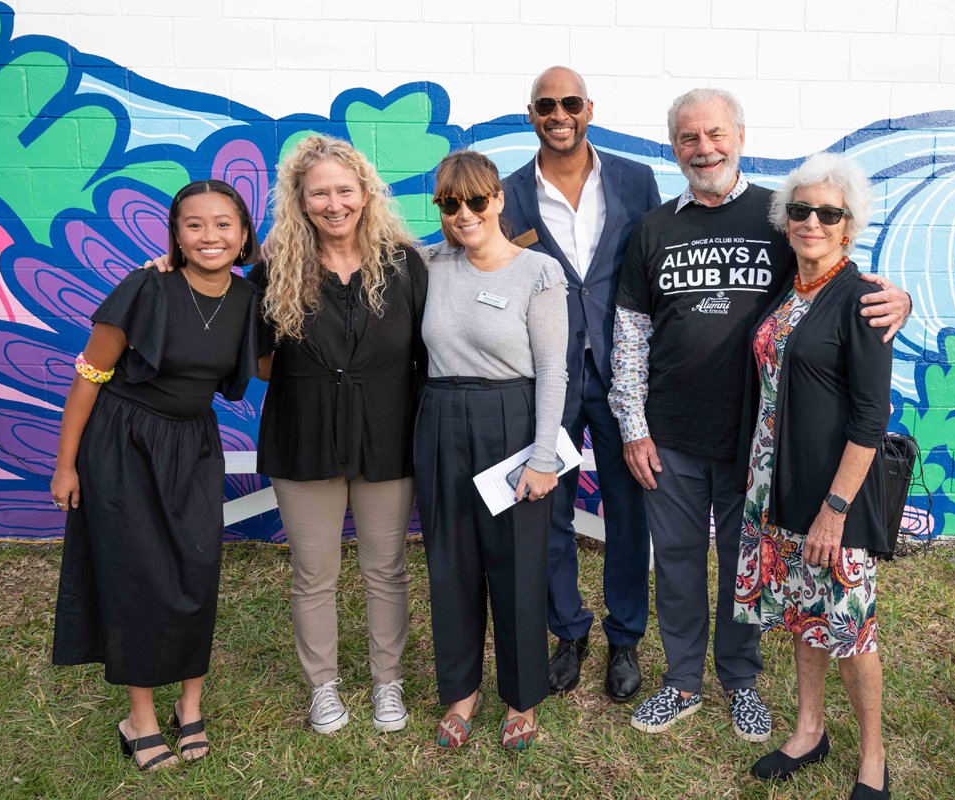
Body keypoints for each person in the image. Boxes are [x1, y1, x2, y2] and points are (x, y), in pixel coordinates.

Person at [609, 88, 911, 743]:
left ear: (739, 137)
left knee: (744, 566)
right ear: (675, 147)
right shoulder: (655, 229)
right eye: (688, 138)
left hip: (755, 441)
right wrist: (632, 425)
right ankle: (682, 682)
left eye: (714, 134)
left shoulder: (779, 216)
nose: (703, 148)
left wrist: (898, 298)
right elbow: (630, 332)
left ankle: (740, 683)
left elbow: (830, 271)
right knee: (682, 563)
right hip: (671, 436)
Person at [148, 135, 427, 736]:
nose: (334, 203)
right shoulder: (274, 268)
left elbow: (431, 345)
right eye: (319, 192)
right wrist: (169, 264)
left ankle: (388, 682)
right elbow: (231, 319)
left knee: (387, 566)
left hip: (388, 432)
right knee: (314, 569)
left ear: (366, 194)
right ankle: (324, 687)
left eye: (344, 190)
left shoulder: (405, 263)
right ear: (300, 201)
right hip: (304, 433)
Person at [51, 179, 265, 770]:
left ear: (244, 232)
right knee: (137, 576)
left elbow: (274, 363)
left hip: (194, 444)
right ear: (175, 233)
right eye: (193, 225)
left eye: (224, 224)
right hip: (124, 442)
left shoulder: (248, 301)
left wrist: (265, 262)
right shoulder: (146, 286)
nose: (209, 236)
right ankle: (139, 715)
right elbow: (90, 374)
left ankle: (189, 706)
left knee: (197, 571)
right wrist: (66, 464)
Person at [500, 66, 661, 702]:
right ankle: (568, 631)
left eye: (570, 103)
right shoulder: (507, 192)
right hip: (547, 376)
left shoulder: (635, 179)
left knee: (628, 511)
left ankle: (625, 638)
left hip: (622, 376)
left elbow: (656, 267)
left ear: (589, 109)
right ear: (531, 114)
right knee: (550, 511)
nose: (558, 113)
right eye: (546, 105)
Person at [737, 153, 891, 799]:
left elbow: (869, 419)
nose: (811, 222)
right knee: (805, 615)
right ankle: (808, 730)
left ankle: (873, 759)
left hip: (834, 497)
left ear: (848, 226)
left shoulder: (863, 301)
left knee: (851, 628)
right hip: (778, 486)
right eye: (800, 210)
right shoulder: (793, 290)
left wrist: (835, 507)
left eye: (828, 213)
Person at [416, 150, 568, 750]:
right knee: (449, 563)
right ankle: (460, 691)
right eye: (450, 204)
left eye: (476, 200)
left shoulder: (538, 272)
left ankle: (521, 696)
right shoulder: (429, 264)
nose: (463, 214)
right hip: (438, 420)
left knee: (517, 565)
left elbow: (554, 369)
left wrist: (542, 458)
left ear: (499, 199)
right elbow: (348, 247)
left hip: (511, 421)